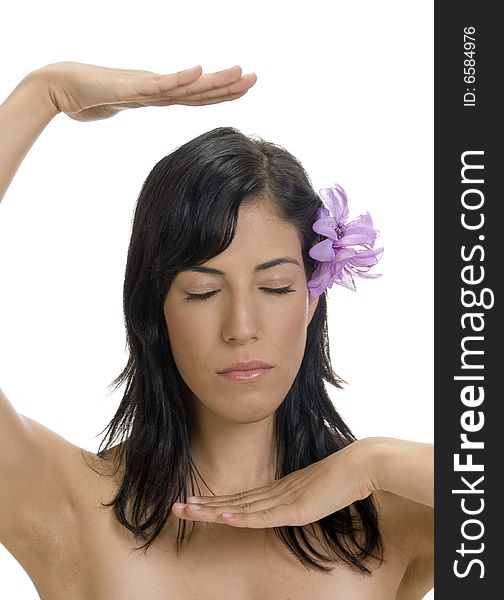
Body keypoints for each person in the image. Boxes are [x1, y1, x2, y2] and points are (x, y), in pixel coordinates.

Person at [0, 61, 433, 599]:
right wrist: (44, 93)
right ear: (154, 307)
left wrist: (376, 462)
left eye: (275, 287)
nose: (241, 328)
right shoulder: (73, 506)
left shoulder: (395, 515)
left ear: (311, 297)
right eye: (203, 293)